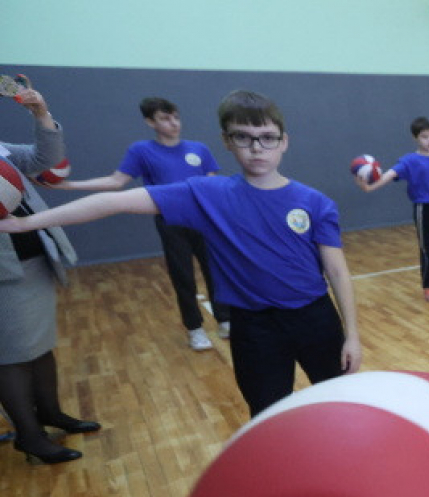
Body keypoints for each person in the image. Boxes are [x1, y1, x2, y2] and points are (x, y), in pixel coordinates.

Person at [2, 90, 362, 418]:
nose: (257, 148)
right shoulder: (205, 194)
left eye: (267, 138)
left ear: (284, 142)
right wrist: (26, 224)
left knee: (340, 404)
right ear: (226, 141)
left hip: (316, 321)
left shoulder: (316, 203)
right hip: (254, 329)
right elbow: (114, 201)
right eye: (243, 137)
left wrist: (353, 335)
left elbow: (337, 270)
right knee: (268, 416)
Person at [56, 96, 228, 350]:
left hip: (203, 222)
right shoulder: (141, 150)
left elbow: (213, 185)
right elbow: (115, 182)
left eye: (175, 117)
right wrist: (68, 185)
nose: (173, 123)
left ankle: (225, 319)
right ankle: (195, 329)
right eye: (164, 118)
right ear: (150, 122)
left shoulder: (199, 149)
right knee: (184, 278)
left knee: (217, 273)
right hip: (171, 222)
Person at [0, 80, 99, 465]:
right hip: (4, 274)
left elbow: (46, 157)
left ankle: (51, 413)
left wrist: (41, 114)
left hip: (33, 260)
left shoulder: (3, 150)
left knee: (39, 347)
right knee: (11, 356)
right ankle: (29, 434)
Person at [356, 116, 429, 302]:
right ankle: (428, 287)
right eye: (424, 137)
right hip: (423, 210)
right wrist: (369, 187)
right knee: (426, 249)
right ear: (415, 139)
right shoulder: (408, 161)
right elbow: (389, 175)